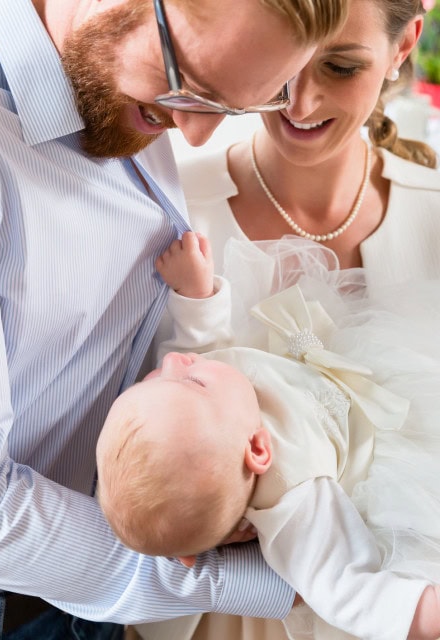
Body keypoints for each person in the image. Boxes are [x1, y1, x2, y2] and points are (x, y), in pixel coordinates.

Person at [0, 0, 353, 637]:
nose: (193, 134)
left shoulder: (112, 81)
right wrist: (304, 574)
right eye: (190, 83)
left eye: (231, 106)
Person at [134, 0, 440, 637]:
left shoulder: (431, 215)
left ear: (403, 46)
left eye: (340, 66)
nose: (299, 102)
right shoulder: (166, 200)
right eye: (285, 65)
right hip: (206, 619)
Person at [97, 231, 440, 640]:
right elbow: (342, 587)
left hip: (352, 373)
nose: (173, 360)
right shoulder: (294, 500)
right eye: (191, 381)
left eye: (153, 379)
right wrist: (421, 615)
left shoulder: (210, 417)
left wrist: (195, 293)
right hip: (391, 442)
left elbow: (202, 345)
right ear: (260, 449)